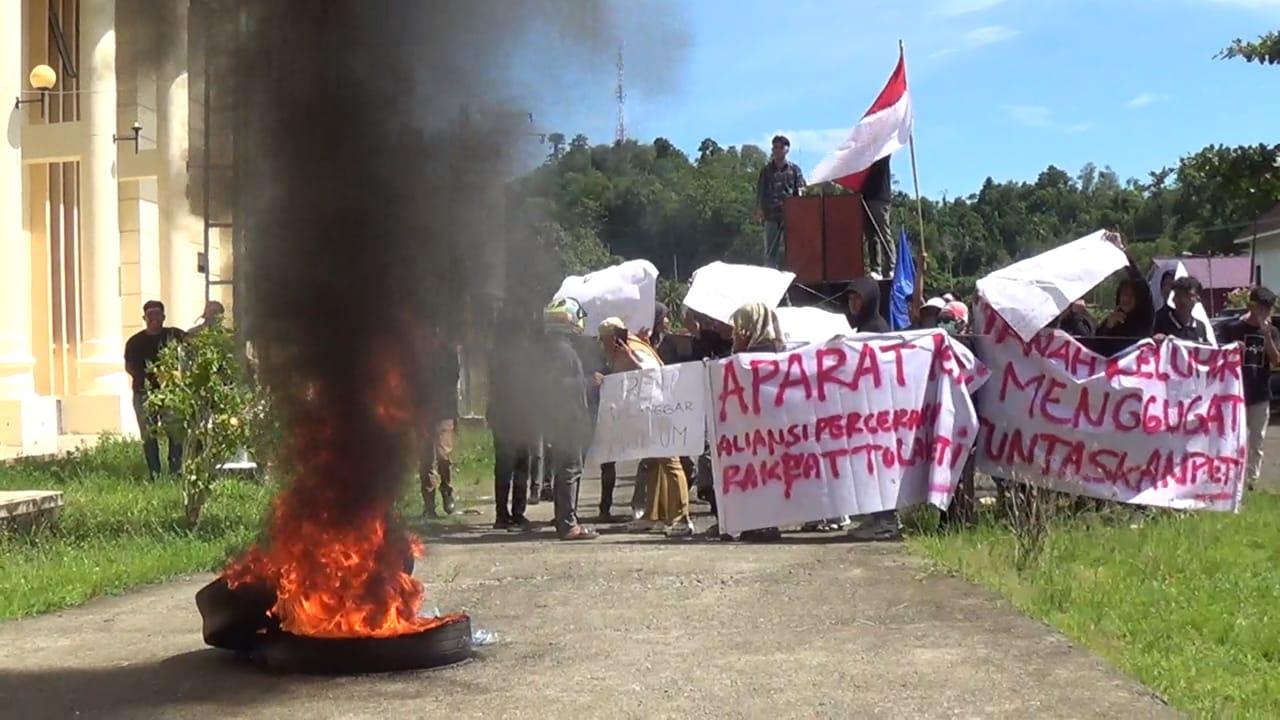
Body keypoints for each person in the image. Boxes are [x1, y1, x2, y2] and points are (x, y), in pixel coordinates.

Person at [596, 317, 696, 537]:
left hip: (658, 411)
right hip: (647, 413)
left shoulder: (632, 350)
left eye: (602, 340)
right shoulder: (637, 346)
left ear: (612, 338)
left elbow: (652, 375)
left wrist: (631, 360)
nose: (600, 345)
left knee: (670, 462)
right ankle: (653, 515)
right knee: (651, 462)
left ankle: (681, 518)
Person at [537, 297, 598, 540]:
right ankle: (568, 523)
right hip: (567, 420)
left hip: (560, 419)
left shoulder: (555, 348)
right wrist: (588, 383)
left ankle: (566, 519)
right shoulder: (562, 351)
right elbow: (556, 385)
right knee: (570, 469)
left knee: (566, 470)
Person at [1216, 287, 1279, 490]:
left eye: (1269, 308)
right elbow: (1217, 354)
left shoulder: (1273, 330)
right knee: (1235, 439)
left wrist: (1266, 334)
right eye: (1263, 308)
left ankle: (1252, 481)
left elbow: (1276, 360)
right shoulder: (1232, 327)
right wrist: (1232, 346)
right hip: (1235, 393)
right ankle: (1232, 480)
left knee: (1257, 440)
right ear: (1252, 306)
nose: (1267, 312)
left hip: (1260, 392)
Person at [123, 300, 187, 479]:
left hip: (171, 394)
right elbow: (129, 366)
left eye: (157, 315)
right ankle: (154, 473)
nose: (154, 319)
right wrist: (146, 379)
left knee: (175, 432)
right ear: (144, 318)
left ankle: (176, 471)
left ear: (164, 317)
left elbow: (193, 343)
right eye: (150, 315)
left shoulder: (174, 335)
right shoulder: (135, 342)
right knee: (148, 434)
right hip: (144, 394)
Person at [487, 310, 534, 531]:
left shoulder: (495, 354)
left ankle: (502, 513)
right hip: (517, 415)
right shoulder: (520, 354)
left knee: (504, 467)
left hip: (503, 415)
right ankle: (517, 512)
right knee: (520, 466)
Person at [1091, 233, 1155, 356]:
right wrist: (1107, 326)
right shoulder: (1112, 319)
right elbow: (1095, 348)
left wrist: (1121, 251)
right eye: (1124, 294)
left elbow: (1139, 281)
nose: (1127, 298)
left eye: (1132, 295)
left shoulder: (1145, 318)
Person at [418, 337, 460, 518]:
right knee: (426, 459)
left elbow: (453, 376)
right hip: (423, 413)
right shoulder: (417, 352)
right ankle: (429, 505)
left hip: (444, 411)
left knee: (443, 455)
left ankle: (447, 490)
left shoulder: (447, 352)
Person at [755, 135, 806, 268]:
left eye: (780, 147)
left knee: (794, 250)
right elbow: (760, 192)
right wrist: (759, 210)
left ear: (787, 149)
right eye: (774, 147)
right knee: (770, 252)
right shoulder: (766, 171)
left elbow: (801, 190)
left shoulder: (794, 170)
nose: (777, 150)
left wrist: (799, 210)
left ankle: (795, 279)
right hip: (771, 216)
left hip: (790, 216)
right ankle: (770, 280)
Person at [1153, 276, 1212, 345]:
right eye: (1178, 295)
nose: (1182, 300)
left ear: (1197, 298)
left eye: (1188, 295)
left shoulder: (1200, 327)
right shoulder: (1160, 320)